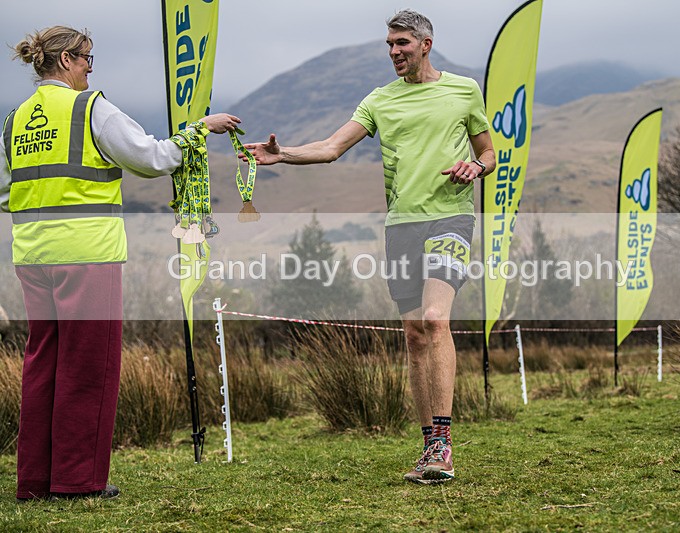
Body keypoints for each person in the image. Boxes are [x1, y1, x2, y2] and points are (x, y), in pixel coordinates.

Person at [243, 9, 495, 484]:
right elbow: (332, 146)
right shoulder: (380, 100)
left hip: (451, 217)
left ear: (426, 43)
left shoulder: (464, 90)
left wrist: (476, 168)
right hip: (402, 226)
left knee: (436, 319)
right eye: (389, 45)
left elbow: (489, 152)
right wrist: (283, 155)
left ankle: (443, 446)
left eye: (402, 43)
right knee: (415, 334)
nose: (394, 52)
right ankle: (428, 446)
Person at [0, 25, 240, 502]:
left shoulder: (15, 118)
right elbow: (151, 158)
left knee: (43, 361)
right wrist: (197, 132)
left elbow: (7, 193)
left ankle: (34, 480)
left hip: (31, 253)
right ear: (67, 60)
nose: (91, 68)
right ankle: (77, 481)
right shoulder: (91, 108)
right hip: (88, 253)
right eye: (88, 58)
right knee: (90, 363)